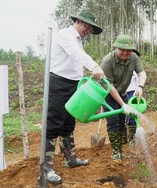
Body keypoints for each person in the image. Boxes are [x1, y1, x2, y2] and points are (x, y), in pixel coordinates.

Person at [43, 10, 105, 185]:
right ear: (78, 21)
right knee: (54, 123)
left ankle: (70, 158)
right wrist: (94, 66)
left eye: (91, 29)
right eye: (87, 26)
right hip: (58, 83)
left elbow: (77, 60)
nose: (88, 31)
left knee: (68, 123)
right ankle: (46, 168)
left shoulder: (79, 41)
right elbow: (76, 55)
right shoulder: (65, 35)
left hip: (74, 84)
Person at [100, 35, 147, 162]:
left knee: (122, 121)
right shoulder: (107, 62)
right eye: (122, 49)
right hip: (108, 94)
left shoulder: (133, 57)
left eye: (129, 50)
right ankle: (116, 152)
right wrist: (122, 105)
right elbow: (109, 86)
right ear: (116, 48)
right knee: (113, 121)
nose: (126, 53)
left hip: (122, 93)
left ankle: (120, 149)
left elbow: (142, 73)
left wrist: (140, 86)